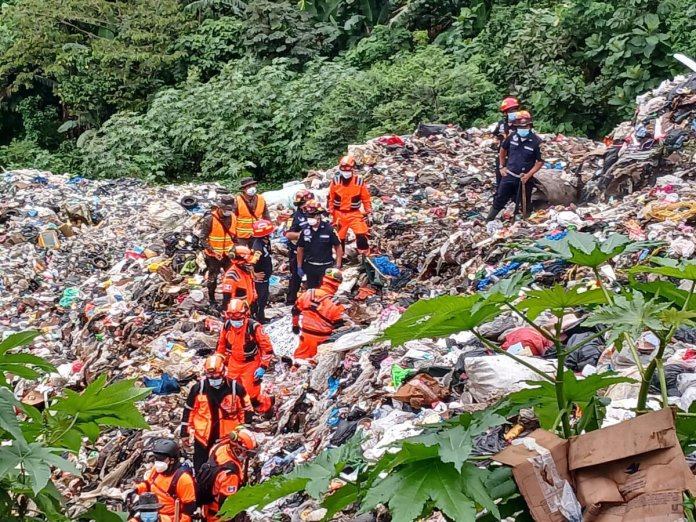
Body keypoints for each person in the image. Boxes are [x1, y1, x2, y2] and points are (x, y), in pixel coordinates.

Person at [181, 354, 252, 474]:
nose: (213, 379)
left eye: (216, 376)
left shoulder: (236, 389)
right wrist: (185, 433)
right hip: (203, 439)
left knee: (225, 470)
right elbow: (189, 411)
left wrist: (242, 431)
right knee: (201, 470)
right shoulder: (198, 389)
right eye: (210, 377)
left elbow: (246, 411)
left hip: (226, 439)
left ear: (224, 372)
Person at [216, 299, 274, 415]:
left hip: (251, 363)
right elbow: (221, 345)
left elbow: (267, 349)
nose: (235, 321)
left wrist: (263, 366)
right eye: (232, 318)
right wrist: (218, 362)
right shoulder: (227, 326)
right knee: (231, 390)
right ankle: (239, 412)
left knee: (251, 394)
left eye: (237, 318)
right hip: (234, 362)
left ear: (245, 314)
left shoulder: (253, 327)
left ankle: (266, 406)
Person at [486, 110, 543, 221]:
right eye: (520, 127)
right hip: (509, 174)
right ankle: (489, 220)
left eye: (525, 127)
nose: (522, 129)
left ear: (530, 126)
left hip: (524, 178)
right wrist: (502, 167)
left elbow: (540, 161)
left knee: (525, 202)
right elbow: (502, 150)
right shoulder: (512, 137)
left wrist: (528, 175)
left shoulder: (536, 142)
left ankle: (524, 222)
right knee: (499, 198)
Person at [127, 439, 196, 522]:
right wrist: (135, 490)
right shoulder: (156, 470)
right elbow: (148, 485)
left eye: (161, 459)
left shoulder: (183, 479)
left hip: (171, 517)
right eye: (156, 459)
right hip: (152, 512)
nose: (157, 462)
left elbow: (189, 508)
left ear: (172, 460)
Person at [198, 428, 257, 522]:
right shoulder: (230, 475)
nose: (246, 456)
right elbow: (226, 506)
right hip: (216, 516)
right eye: (246, 452)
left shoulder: (219, 447)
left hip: (207, 506)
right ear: (237, 448)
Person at [291, 268, 348, 361]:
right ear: (337, 285)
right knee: (316, 364)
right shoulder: (336, 304)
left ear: (323, 280)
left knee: (299, 362)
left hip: (305, 336)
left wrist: (295, 325)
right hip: (322, 341)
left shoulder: (308, 293)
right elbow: (338, 326)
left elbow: (295, 310)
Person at [328, 156, 372, 256]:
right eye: (343, 168)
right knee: (339, 238)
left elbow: (366, 197)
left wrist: (368, 209)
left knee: (361, 235)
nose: (345, 171)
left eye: (348, 168)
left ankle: (365, 257)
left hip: (354, 213)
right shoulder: (335, 181)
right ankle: (340, 257)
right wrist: (330, 211)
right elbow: (331, 197)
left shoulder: (359, 181)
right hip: (339, 214)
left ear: (352, 168)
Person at [297, 200, 343, 289]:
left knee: (325, 291)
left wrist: (338, 265)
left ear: (318, 216)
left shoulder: (329, 229)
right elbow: (300, 248)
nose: (310, 218)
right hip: (310, 266)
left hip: (326, 266)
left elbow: (338, 247)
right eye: (308, 216)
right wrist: (299, 266)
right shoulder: (305, 231)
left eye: (312, 216)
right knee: (311, 292)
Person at [200, 195, 237, 307]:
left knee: (230, 277)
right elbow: (202, 238)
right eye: (227, 209)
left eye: (230, 209)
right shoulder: (210, 219)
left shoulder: (233, 218)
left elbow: (235, 237)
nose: (228, 211)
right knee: (213, 278)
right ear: (220, 208)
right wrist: (212, 250)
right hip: (213, 255)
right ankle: (212, 299)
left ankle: (229, 299)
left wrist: (235, 250)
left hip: (228, 254)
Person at [284, 189, 314, 305]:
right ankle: (291, 301)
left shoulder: (315, 214)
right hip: (297, 252)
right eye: (306, 202)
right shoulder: (295, 217)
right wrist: (303, 234)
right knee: (296, 278)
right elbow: (288, 235)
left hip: (313, 252)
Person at [493, 97, 521, 189]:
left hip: (515, 156)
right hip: (502, 155)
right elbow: (496, 135)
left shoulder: (520, 124)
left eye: (515, 110)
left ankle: (514, 199)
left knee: (514, 180)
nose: (514, 112)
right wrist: (495, 141)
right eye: (511, 110)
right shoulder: (501, 124)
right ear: (505, 113)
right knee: (500, 179)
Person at [250, 219, 274, 323]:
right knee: (260, 300)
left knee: (263, 298)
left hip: (265, 277)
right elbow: (251, 263)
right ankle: (258, 318)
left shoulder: (266, 242)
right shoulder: (258, 248)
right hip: (260, 279)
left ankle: (260, 316)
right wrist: (253, 275)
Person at [235, 178, 270, 247]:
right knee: (242, 254)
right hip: (242, 235)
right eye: (249, 187)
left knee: (257, 253)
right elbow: (232, 219)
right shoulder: (237, 201)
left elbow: (266, 214)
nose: (252, 188)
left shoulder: (261, 198)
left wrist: (268, 230)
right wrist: (233, 235)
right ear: (243, 189)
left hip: (258, 232)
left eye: (253, 186)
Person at [221, 245, 257, 312]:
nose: (251, 266)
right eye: (248, 264)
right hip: (237, 312)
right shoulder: (232, 276)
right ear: (240, 263)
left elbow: (251, 288)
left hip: (247, 308)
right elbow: (226, 298)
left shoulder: (246, 272)